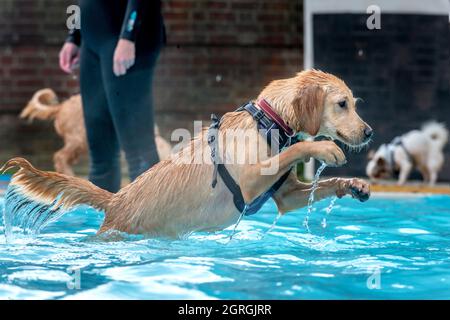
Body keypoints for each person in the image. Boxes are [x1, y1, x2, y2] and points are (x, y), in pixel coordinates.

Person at [59, 0, 165, 192]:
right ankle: (104, 219)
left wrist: (128, 36)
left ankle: (155, 220)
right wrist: (74, 36)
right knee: (100, 154)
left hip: (128, 39)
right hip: (92, 40)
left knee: (139, 151)